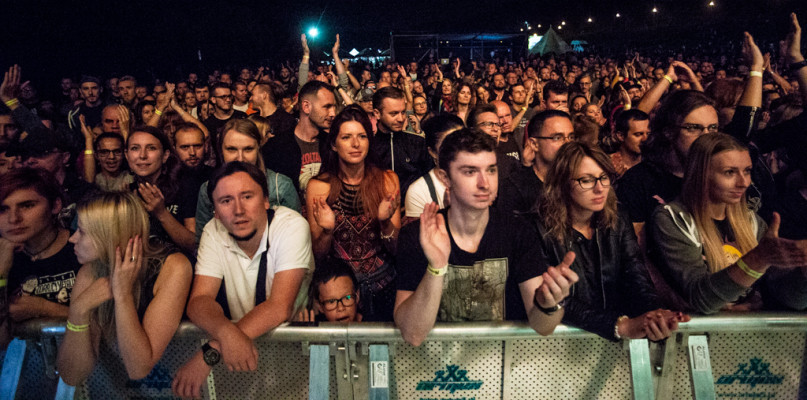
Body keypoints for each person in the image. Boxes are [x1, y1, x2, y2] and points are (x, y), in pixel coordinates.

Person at [394, 129, 578, 346]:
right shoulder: (419, 235)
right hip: (438, 363)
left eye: (491, 170)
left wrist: (548, 304)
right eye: (470, 172)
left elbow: (543, 327)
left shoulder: (518, 231)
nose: (485, 183)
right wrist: (436, 268)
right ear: (445, 178)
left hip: (500, 360)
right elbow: (413, 335)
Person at [172, 162, 312, 398]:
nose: (238, 210)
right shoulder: (213, 231)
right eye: (226, 201)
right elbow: (199, 301)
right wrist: (226, 334)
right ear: (216, 212)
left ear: (266, 200)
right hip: (239, 362)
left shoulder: (291, 225)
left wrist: (213, 349)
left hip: (293, 359)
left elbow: (279, 306)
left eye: (247, 196)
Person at [533, 142, 688, 341]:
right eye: (586, 180)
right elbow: (555, 301)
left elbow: (636, 276)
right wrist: (618, 325)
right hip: (556, 344)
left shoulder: (618, 218)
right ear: (563, 183)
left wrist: (654, 315)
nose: (599, 188)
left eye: (604, 177)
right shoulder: (537, 228)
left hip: (612, 344)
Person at [649, 133, 807, 313]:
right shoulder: (674, 218)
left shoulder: (751, 221)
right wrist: (758, 258)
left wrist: (804, 272)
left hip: (743, 328)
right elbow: (702, 299)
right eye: (729, 172)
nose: (744, 182)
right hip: (696, 328)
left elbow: (792, 300)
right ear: (701, 174)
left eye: (747, 171)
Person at [56, 192, 192, 389]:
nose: (72, 238)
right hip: (116, 389)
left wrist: (123, 296)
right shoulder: (91, 270)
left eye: (82, 232)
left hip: (180, 382)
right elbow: (72, 376)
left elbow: (139, 367)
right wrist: (78, 311)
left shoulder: (173, 266)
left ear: (109, 236)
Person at [306, 105, 400, 321]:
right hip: (339, 292)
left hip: (384, 285)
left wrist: (385, 223)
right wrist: (327, 232)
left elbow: (396, 250)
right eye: (346, 137)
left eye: (362, 136)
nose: (355, 144)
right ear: (334, 144)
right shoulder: (319, 187)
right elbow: (318, 256)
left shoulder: (387, 180)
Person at [0, 168, 81, 340]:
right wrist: (1, 272)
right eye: (3, 209)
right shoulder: (4, 257)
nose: (13, 219)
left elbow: (108, 326)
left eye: (27, 205)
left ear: (55, 205)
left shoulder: (81, 248)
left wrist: (43, 308)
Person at [195, 119, 299, 242]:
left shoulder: (281, 186)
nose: (240, 158)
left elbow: (296, 237)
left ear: (258, 148)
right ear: (221, 151)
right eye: (231, 149)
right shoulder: (207, 190)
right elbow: (203, 242)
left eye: (248, 149)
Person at [125, 126, 196, 254]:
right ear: (126, 155)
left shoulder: (186, 186)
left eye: (151, 148)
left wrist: (161, 213)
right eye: (135, 148)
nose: (142, 155)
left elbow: (193, 244)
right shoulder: (129, 192)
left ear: (165, 156)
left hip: (180, 260)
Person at [496, 110, 574, 215]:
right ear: (534, 144)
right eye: (557, 138)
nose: (568, 144)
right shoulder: (515, 188)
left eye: (571, 137)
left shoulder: (577, 182)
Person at [371, 86, 433, 199]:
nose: (401, 118)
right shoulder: (369, 147)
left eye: (403, 112)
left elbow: (429, 179)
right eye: (394, 113)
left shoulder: (417, 143)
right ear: (377, 113)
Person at [404, 115, 464, 222]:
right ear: (432, 152)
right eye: (448, 146)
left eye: (463, 143)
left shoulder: (479, 178)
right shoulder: (419, 192)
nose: (459, 150)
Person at [296, 258, 363, 323]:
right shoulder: (315, 327)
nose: (341, 308)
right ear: (319, 306)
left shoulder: (369, 323)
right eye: (331, 301)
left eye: (347, 298)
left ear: (357, 296)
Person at [611, 109, 650, 178]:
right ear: (621, 136)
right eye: (638, 134)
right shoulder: (607, 165)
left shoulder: (654, 163)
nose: (645, 139)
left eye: (648, 134)